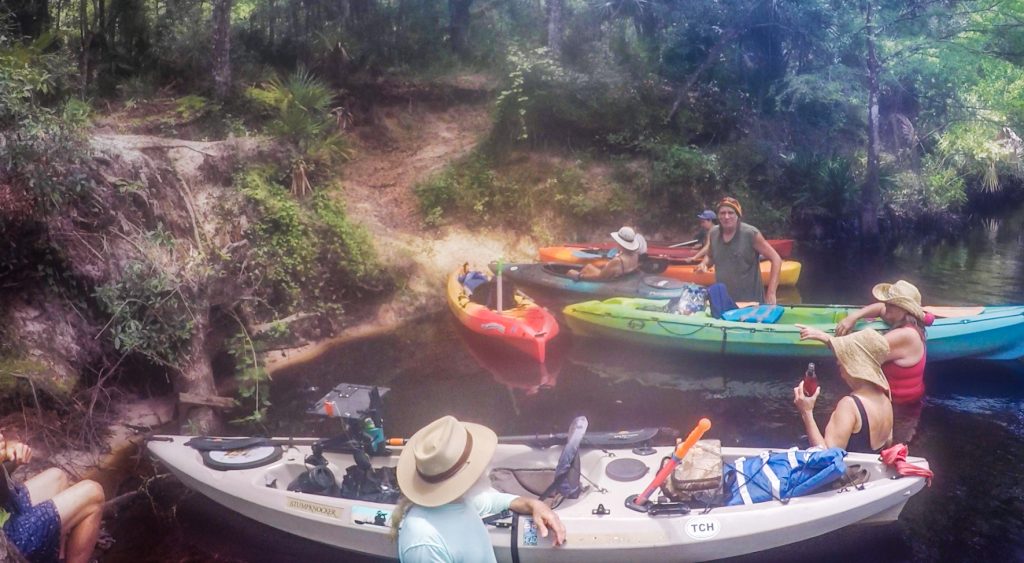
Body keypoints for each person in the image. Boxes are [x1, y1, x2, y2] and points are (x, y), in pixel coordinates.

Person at [394, 416, 566, 563]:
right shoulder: (424, 543)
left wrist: (534, 505)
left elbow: (493, 501)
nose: (486, 465)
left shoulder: (458, 500)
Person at [0, 433, 105, 563]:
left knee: (57, 477)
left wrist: (10, 455)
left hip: (6, 513)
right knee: (94, 494)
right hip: (6, 543)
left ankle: (56, 559)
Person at [791, 328, 894, 453]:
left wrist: (806, 412)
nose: (838, 360)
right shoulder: (886, 399)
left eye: (844, 356)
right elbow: (889, 440)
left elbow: (826, 456)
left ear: (852, 365)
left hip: (849, 471)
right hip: (867, 469)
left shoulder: (850, 405)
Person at [834, 280, 929, 405]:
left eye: (891, 304)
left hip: (900, 406)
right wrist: (853, 317)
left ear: (905, 309)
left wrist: (823, 338)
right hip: (901, 399)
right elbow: (879, 308)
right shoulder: (905, 319)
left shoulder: (906, 335)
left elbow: (857, 352)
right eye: (887, 302)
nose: (886, 306)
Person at [695, 197, 782, 304]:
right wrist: (703, 264)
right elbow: (710, 256)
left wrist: (771, 293)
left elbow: (776, 259)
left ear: (738, 215)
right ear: (718, 216)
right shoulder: (713, 233)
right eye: (722, 213)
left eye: (730, 213)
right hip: (725, 302)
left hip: (751, 303)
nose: (726, 217)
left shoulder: (750, 233)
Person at [567, 226, 642, 281]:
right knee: (588, 267)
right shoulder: (635, 254)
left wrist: (580, 276)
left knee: (571, 272)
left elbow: (600, 277)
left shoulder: (618, 260)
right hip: (623, 277)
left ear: (620, 243)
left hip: (610, 281)